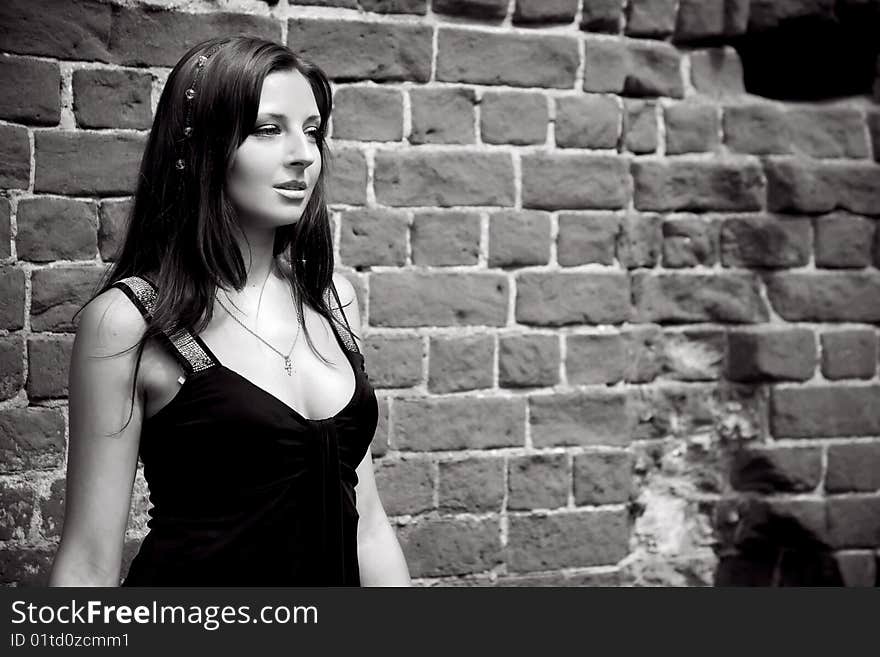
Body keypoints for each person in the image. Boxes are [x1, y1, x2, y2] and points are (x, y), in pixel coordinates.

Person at [48, 36, 411, 586]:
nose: (303, 154)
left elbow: (368, 527)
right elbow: (88, 563)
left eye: (312, 131)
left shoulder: (332, 300)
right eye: (268, 129)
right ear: (202, 148)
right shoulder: (131, 322)